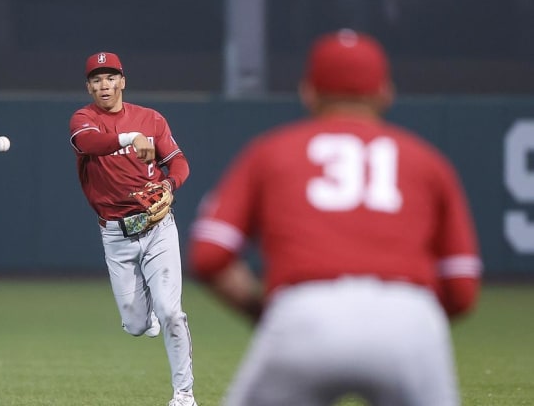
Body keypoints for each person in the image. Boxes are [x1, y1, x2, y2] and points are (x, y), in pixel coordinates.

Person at [188, 30, 482, 406]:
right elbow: (461, 289)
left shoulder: (271, 152)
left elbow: (209, 255)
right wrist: (401, 325)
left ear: (309, 91)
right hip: (410, 316)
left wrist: (262, 311)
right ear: (385, 92)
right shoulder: (428, 162)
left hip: (306, 311)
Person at [69, 51, 197, 406]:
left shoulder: (151, 118)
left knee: (173, 312)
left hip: (158, 228)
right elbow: (87, 143)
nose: (104, 85)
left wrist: (171, 186)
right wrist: (129, 138)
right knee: (137, 325)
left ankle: (184, 395)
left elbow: (179, 163)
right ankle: (146, 312)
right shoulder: (84, 119)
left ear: (123, 81)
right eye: (96, 79)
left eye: (110, 77)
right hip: (116, 234)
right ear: (89, 87)